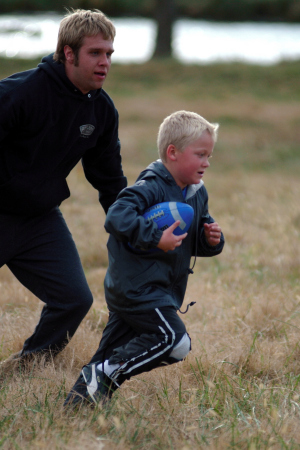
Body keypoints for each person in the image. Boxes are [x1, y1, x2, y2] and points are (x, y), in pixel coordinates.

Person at [64, 110, 225, 408]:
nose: (206, 162)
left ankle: (76, 406)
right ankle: (106, 373)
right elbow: (117, 216)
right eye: (200, 154)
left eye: (209, 156)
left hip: (159, 288)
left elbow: (190, 237)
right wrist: (154, 236)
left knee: (110, 352)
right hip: (137, 288)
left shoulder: (196, 194)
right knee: (175, 342)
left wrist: (209, 239)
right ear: (172, 153)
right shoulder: (150, 186)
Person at [0, 9, 127, 371]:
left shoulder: (101, 110)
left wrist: (133, 228)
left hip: (39, 221)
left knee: (73, 300)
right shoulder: (20, 94)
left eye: (109, 54)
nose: (105, 62)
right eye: (95, 53)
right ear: (68, 54)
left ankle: (25, 369)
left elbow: (109, 179)